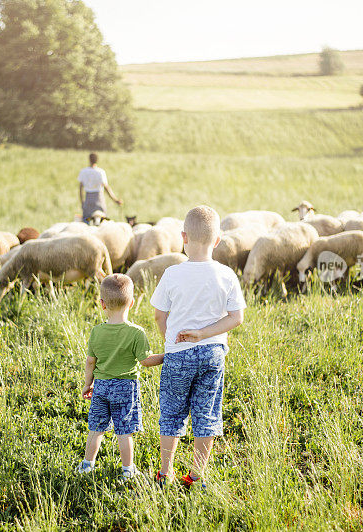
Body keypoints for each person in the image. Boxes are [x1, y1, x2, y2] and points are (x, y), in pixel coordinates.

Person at [149, 205, 246, 489]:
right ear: (217, 240)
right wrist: (204, 333)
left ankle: (164, 473)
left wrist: (171, 340)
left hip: (178, 353)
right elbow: (236, 318)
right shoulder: (226, 274)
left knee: (171, 411)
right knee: (207, 412)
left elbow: (159, 314)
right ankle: (196, 475)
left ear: (183, 238)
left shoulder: (172, 273)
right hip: (213, 353)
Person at [78, 273, 164, 479]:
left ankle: (87, 465)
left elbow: (91, 361)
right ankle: (128, 470)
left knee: (96, 428)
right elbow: (145, 360)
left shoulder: (96, 332)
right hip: (125, 387)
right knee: (124, 431)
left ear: (102, 304)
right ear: (132, 303)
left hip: (101, 386)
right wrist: (165, 357)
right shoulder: (136, 333)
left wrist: (87, 384)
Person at [78, 153, 123, 223]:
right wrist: (116, 200)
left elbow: (80, 189)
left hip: (88, 199)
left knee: (86, 221)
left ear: (89, 160)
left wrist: (82, 202)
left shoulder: (83, 172)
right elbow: (106, 188)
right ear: (97, 160)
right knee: (102, 220)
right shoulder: (100, 172)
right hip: (98, 199)